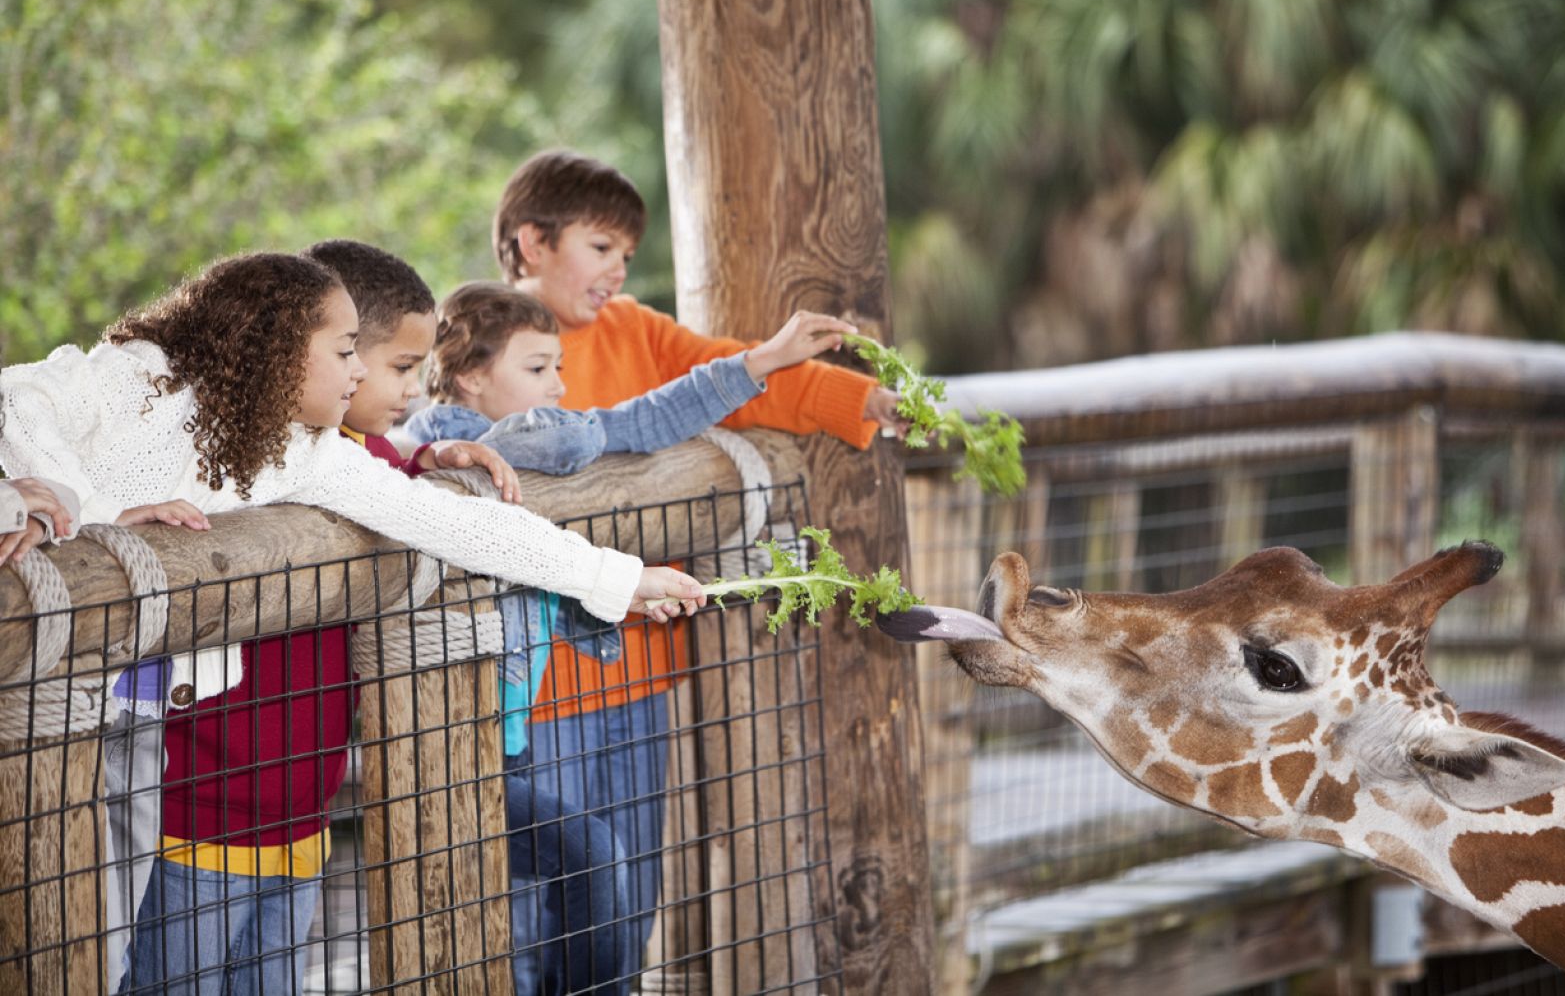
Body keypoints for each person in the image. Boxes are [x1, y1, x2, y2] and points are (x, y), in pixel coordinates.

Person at [0, 250, 703, 994]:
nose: (357, 375)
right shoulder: (137, 373)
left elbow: (451, 522)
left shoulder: (306, 452)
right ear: (277, 344)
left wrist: (618, 577)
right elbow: (14, 400)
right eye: (343, 352)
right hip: (67, 729)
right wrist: (77, 508)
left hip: (147, 740)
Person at [490, 149, 904, 980]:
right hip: (536, 690)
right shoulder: (481, 339)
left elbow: (741, 379)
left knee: (629, 895)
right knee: (537, 906)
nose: (616, 271)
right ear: (532, 242)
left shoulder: (638, 331)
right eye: (600, 247)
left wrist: (864, 400)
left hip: (642, 675)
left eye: (625, 256)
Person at [404, 282, 856, 993]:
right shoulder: (526, 438)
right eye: (537, 368)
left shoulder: (424, 447)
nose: (559, 384)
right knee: (578, 876)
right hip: (482, 739)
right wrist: (762, 359)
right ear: (469, 376)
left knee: (532, 899)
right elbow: (640, 421)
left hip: (494, 733)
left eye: (558, 366)